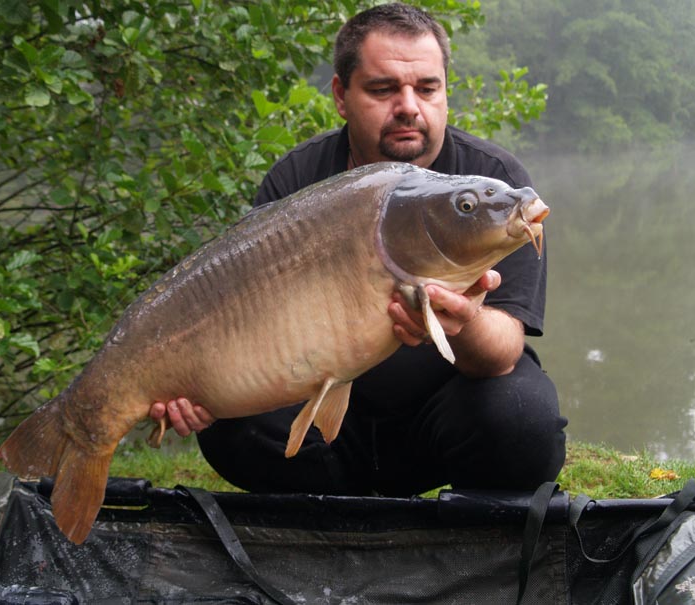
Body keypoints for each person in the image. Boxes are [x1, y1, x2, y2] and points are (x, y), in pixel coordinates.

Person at [149, 2, 567, 494]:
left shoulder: (492, 190)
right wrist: (196, 386)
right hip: (324, 421)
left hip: (440, 416)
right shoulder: (297, 180)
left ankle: (449, 526)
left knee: (523, 422)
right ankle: (334, 518)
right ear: (341, 95)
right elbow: (238, 319)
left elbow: (502, 352)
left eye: (427, 88)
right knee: (230, 428)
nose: (409, 106)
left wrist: (465, 320)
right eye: (383, 88)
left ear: (445, 94)